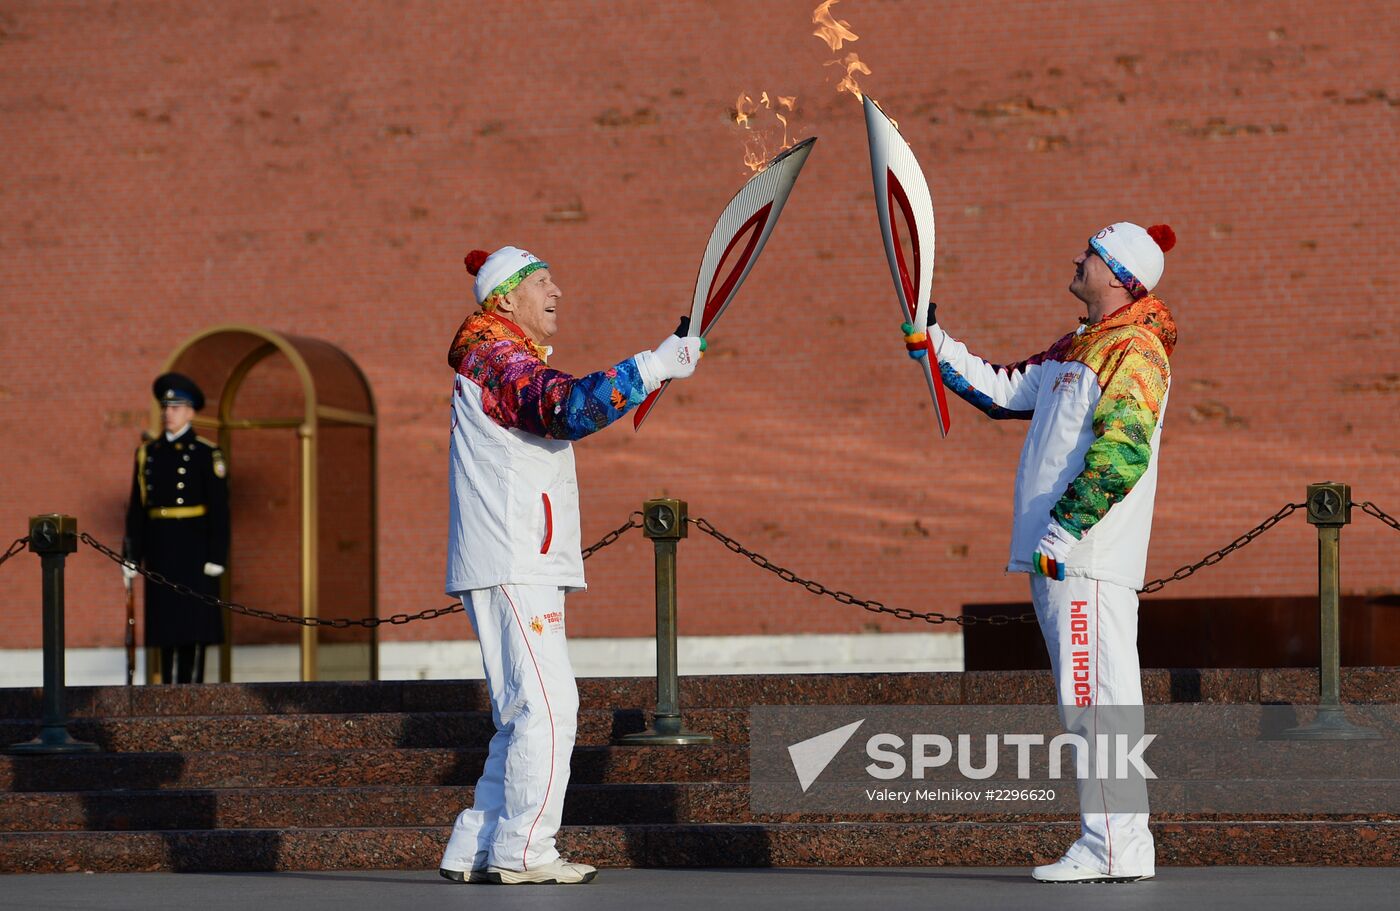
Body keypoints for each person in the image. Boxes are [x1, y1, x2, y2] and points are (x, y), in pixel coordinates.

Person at [912, 222, 1177, 883]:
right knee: (1087, 700)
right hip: (1060, 557)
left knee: (1097, 701)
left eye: (1090, 253)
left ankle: (1112, 846)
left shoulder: (1135, 350)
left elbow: (1123, 450)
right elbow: (1004, 389)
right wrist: (934, 341)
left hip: (1084, 557)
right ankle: (1118, 842)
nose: (1077, 258)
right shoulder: (1077, 347)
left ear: (1117, 275)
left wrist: (1065, 530)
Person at [439, 246, 705, 886]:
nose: (557, 290)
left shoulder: (498, 355)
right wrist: (650, 366)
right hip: (514, 556)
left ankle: (476, 845)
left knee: (521, 713)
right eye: (542, 281)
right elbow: (566, 409)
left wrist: (656, 368)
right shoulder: (499, 359)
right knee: (549, 707)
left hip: (516, 555)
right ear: (506, 298)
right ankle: (525, 851)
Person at [123, 372, 229, 684]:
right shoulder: (148, 454)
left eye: (176, 407)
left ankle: (190, 690)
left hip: (195, 550)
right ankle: (164, 689)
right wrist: (132, 554)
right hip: (160, 549)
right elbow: (138, 509)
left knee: (193, 626)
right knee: (164, 626)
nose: (169, 413)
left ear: (190, 412)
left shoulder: (205, 453)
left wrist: (217, 555)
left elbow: (219, 510)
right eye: (166, 407)